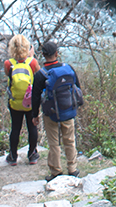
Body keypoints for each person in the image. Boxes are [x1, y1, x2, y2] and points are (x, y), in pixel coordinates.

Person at [33, 41, 81, 182]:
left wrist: (34, 115)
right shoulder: (69, 69)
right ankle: (72, 169)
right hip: (68, 110)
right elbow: (77, 87)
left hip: (51, 113)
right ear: (56, 53)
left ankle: (56, 171)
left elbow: (35, 98)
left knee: (54, 143)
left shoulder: (41, 75)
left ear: (42, 55)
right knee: (70, 140)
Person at [4, 35, 40, 166]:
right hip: (30, 101)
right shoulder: (32, 62)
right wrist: (31, 56)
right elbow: (39, 75)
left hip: (15, 102)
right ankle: (32, 155)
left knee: (15, 128)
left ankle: (13, 156)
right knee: (32, 127)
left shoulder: (8, 64)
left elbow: (8, 76)